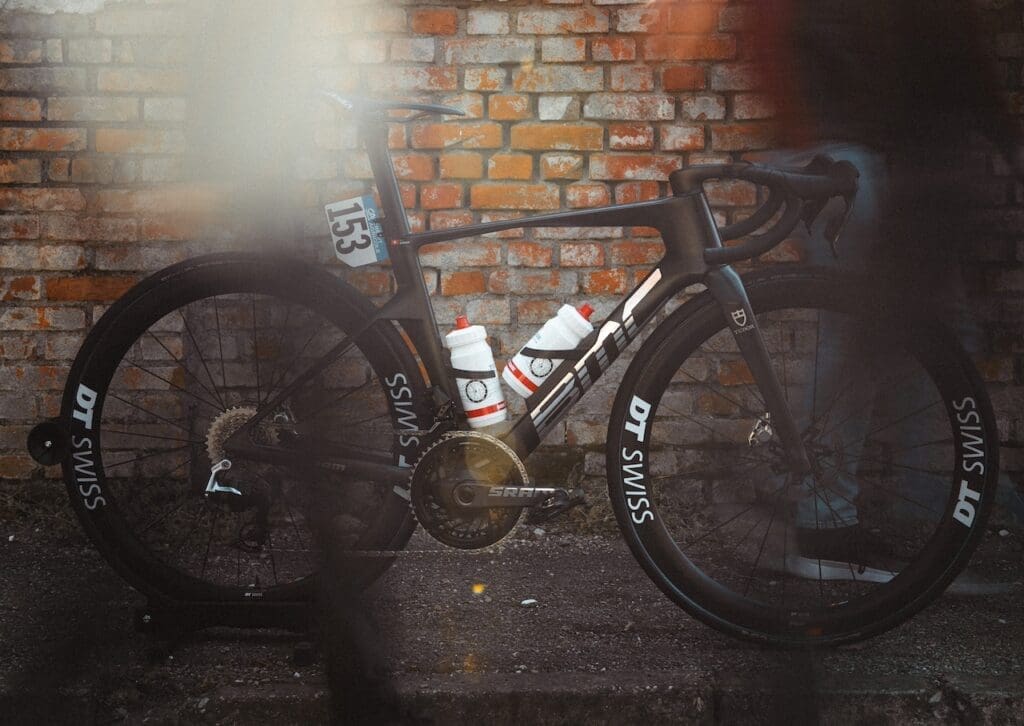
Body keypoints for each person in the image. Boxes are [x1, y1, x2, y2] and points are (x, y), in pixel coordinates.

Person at [748, 0, 1023, 574]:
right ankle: (821, 520)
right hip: (840, 158)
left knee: (897, 337)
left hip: (869, 157)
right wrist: (816, 145)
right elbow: (768, 30)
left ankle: (923, 511)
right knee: (854, 338)